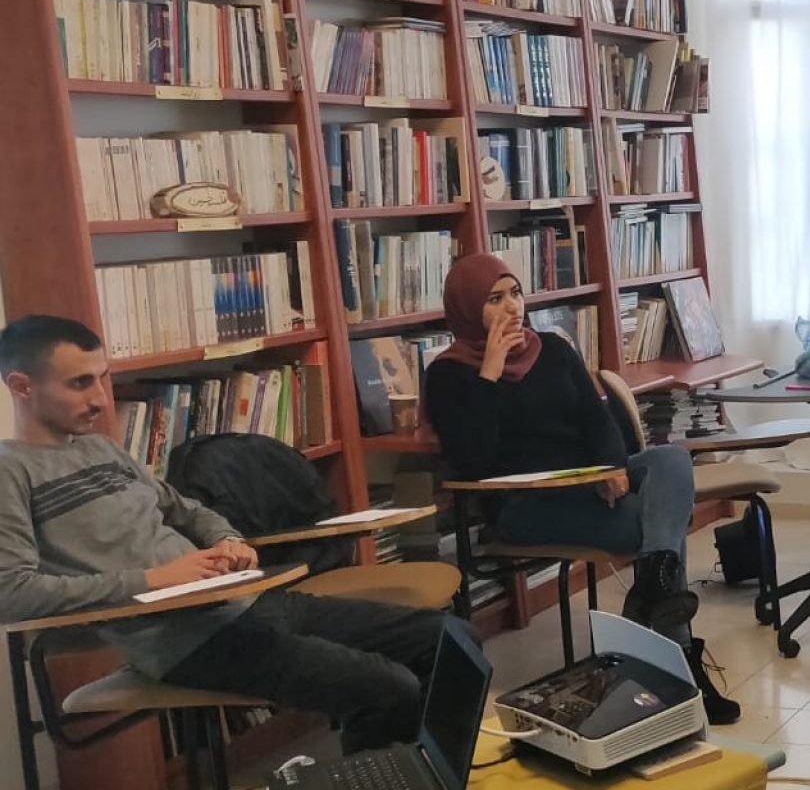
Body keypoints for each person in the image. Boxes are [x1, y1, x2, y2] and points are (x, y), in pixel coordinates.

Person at [0, 314, 455, 755]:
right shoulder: (11, 472)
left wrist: (228, 539)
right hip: (189, 642)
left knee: (445, 637)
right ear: (21, 386)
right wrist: (153, 580)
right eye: (80, 383)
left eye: (101, 379)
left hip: (251, 601)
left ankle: (434, 779)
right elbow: (12, 593)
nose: (101, 399)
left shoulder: (102, 450)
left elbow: (187, 509)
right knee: (387, 687)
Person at [421, 253, 736, 724]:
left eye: (515, 293)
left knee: (670, 460)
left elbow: (599, 419)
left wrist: (611, 467)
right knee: (658, 523)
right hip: (525, 506)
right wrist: (489, 372)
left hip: (588, 485)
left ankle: (653, 591)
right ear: (467, 310)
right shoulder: (450, 374)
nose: (512, 307)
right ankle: (679, 661)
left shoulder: (552, 348)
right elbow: (473, 461)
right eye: (494, 299)